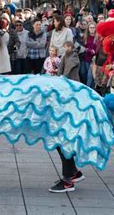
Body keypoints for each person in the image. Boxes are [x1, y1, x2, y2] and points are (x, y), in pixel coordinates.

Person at [50, 40, 85, 193]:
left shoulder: (73, 58)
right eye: (66, 46)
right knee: (60, 139)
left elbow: (66, 76)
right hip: (66, 99)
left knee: (63, 140)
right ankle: (73, 172)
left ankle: (67, 181)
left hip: (70, 100)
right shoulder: (65, 57)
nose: (67, 48)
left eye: (69, 46)